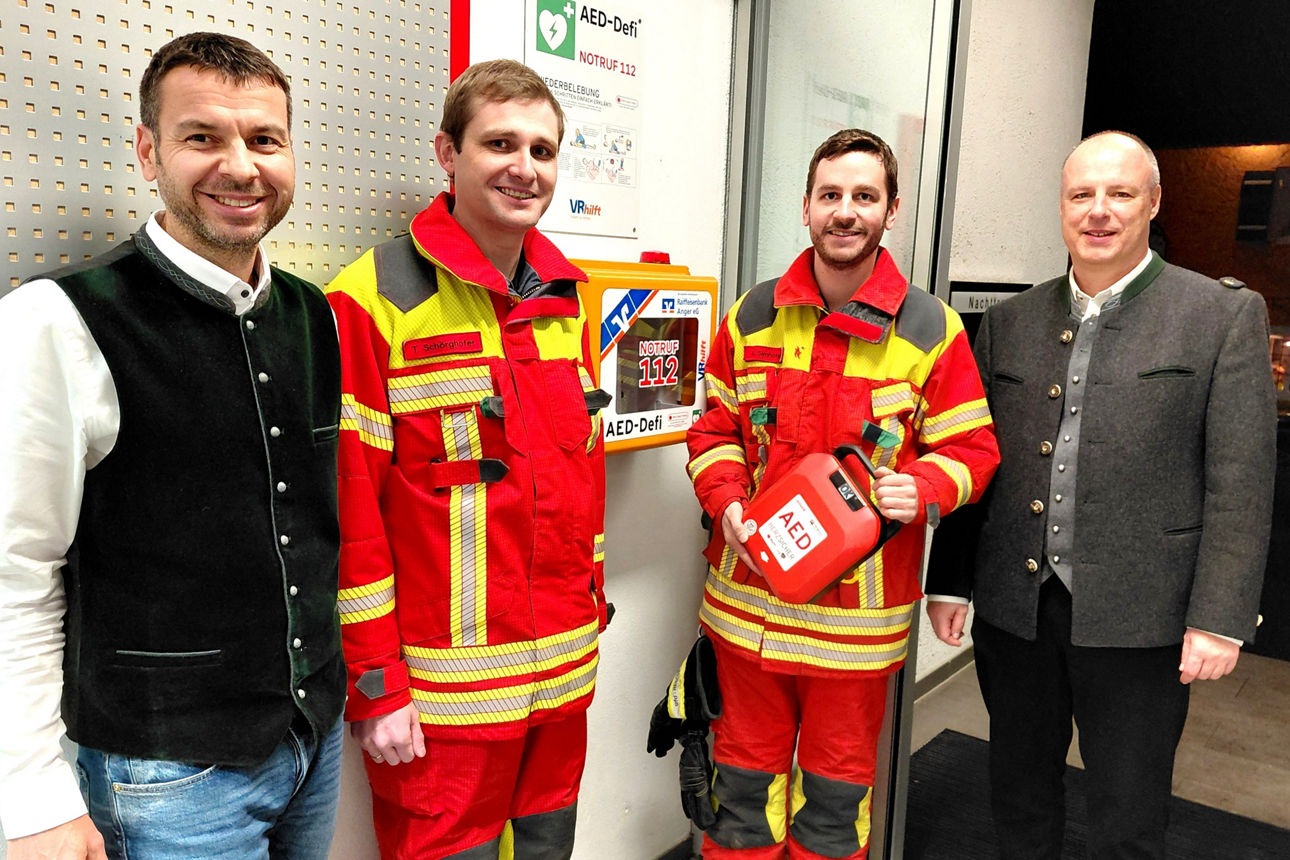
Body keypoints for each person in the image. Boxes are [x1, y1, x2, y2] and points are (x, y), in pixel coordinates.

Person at [0, 32, 345, 860]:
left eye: (265, 139)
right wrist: (29, 796)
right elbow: (14, 572)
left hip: (312, 745)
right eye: (203, 137)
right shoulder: (58, 321)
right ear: (149, 153)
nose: (241, 165)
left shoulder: (315, 314)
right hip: (164, 777)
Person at [925, 131, 1277, 859]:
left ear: (1153, 201)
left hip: (1142, 618)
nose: (1099, 211)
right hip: (1015, 611)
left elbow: (1240, 480)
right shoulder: (1010, 323)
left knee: (1128, 812)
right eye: (1081, 194)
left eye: (1119, 193)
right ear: (1062, 207)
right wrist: (952, 580)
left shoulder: (1219, 316)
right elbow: (975, 456)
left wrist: (1220, 617)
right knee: (1018, 790)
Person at [686, 128, 999, 859]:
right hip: (746, 618)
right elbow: (714, 432)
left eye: (865, 196)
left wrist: (920, 486)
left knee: (832, 813)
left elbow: (974, 450)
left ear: (891, 211)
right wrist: (729, 499)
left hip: (851, 640)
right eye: (831, 195)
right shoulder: (750, 316)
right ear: (805, 207)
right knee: (740, 804)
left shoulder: (932, 330)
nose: (846, 211)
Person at [325, 59, 609, 859]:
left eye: (543, 150)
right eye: (500, 144)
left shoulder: (567, 299)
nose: (525, 168)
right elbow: (352, 512)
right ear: (448, 154)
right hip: (443, 708)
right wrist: (376, 682)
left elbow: (577, 489)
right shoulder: (373, 297)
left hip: (559, 687)